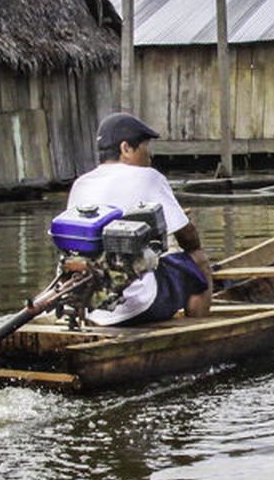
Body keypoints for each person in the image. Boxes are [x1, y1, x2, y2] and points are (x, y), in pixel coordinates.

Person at [67, 112, 211, 325]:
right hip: (140, 304)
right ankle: (198, 332)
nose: (149, 157)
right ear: (126, 148)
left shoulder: (80, 184)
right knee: (197, 261)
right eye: (145, 149)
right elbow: (187, 235)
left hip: (91, 306)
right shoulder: (149, 176)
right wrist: (192, 246)